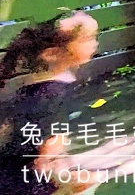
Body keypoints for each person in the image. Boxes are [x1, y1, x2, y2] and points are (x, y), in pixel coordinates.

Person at [0, 12, 100, 195]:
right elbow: (44, 160)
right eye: (87, 38)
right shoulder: (54, 96)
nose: (94, 43)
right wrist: (71, 182)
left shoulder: (36, 85)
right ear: (52, 54)